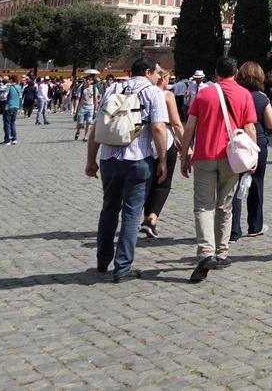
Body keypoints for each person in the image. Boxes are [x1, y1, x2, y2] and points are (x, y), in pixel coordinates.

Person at [84, 58, 169, 282]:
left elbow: (97, 126)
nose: (160, 77)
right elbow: (159, 127)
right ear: (148, 72)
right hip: (138, 158)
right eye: (158, 73)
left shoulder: (112, 88)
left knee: (109, 209)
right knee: (132, 213)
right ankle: (122, 268)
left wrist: (91, 159)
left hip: (109, 158)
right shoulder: (153, 93)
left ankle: (102, 261)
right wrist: (162, 160)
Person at [181, 56, 258, 283]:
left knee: (203, 206)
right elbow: (250, 127)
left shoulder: (204, 93)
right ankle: (222, 252)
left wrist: (185, 153)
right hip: (231, 158)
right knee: (225, 205)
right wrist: (253, 157)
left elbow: (190, 126)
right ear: (235, 73)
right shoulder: (244, 94)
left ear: (215, 73)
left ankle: (206, 252)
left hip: (204, 155)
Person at [230, 62, 272, 242]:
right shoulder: (260, 97)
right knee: (256, 183)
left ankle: (233, 229)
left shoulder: (235, 95)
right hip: (257, 141)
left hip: (236, 141)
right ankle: (255, 225)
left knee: (234, 185)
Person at [140, 65, 185, 239]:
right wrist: (187, 145)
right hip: (164, 139)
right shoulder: (167, 96)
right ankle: (151, 218)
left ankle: (146, 217)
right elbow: (176, 123)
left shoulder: (143, 93)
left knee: (148, 181)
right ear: (164, 79)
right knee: (163, 183)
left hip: (144, 140)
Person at [0, 74, 22, 145]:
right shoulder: (19, 87)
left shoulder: (9, 87)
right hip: (16, 106)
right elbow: (20, 96)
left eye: (9, 79)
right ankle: (14, 138)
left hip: (9, 106)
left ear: (11, 80)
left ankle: (7, 139)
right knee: (12, 122)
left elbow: (4, 96)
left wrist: (1, 95)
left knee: (7, 124)